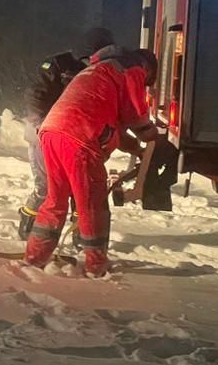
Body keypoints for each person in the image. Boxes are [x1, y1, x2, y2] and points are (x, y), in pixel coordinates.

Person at [24, 46, 160, 278]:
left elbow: (110, 122)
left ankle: (34, 258)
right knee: (92, 204)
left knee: (55, 199)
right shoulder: (132, 68)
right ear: (147, 69)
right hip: (80, 137)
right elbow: (135, 114)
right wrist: (151, 136)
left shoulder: (97, 70)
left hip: (51, 132)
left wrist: (134, 147)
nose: (145, 84)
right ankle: (96, 266)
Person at [17, 26, 116, 239]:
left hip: (80, 140)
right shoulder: (58, 65)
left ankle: (81, 235)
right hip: (46, 136)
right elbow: (36, 96)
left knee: (82, 190)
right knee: (47, 188)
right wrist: (43, 126)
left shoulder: (104, 72)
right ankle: (29, 226)